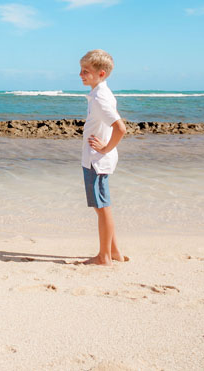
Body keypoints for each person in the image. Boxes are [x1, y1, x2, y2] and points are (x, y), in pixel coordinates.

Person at [79, 49, 128, 266]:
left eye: (86, 71)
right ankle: (114, 251)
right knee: (103, 207)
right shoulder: (99, 93)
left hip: (97, 161)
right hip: (96, 159)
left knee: (102, 208)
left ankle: (104, 257)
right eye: (81, 70)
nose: (81, 74)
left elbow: (120, 128)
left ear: (101, 73)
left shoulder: (100, 98)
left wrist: (106, 148)